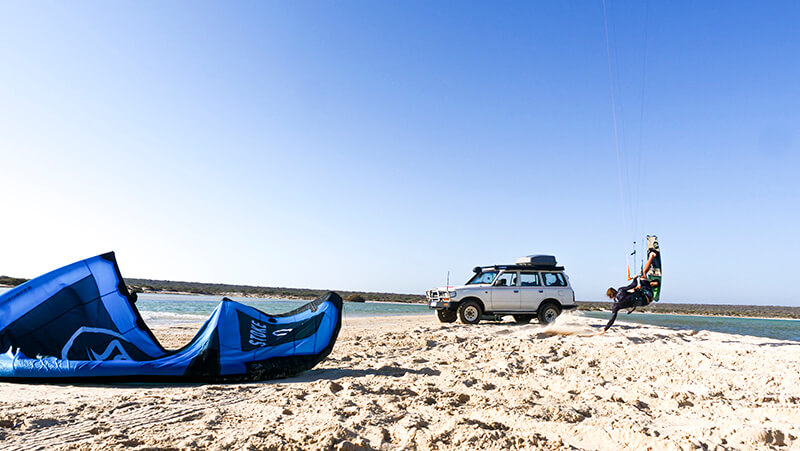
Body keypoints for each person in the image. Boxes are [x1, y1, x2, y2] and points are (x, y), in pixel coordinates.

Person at [599, 250, 660, 334]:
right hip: (647, 294)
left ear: (610, 296)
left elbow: (612, 319)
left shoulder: (615, 306)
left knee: (639, 288)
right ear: (614, 291)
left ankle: (653, 284)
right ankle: (652, 256)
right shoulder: (621, 290)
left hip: (647, 301)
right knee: (642, 274)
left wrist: (605, 329)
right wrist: (635, 278)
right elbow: (633, 284)